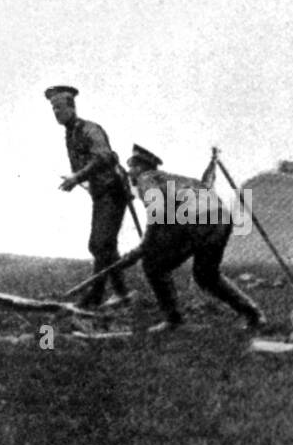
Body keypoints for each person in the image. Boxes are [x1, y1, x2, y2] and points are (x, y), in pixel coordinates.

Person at [124, 144, 264, 333]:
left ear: (141, 168)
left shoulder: (146, 178)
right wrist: (147, 245)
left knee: (153, 265)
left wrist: (143, 248)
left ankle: (173, 320)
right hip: (221, 219)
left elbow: (158, 213)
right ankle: (254, 314)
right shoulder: (176, 179)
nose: (129, 172)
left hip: (198, 220)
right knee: (206, 275)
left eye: (131, 167)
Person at [47, 85, 134, 309]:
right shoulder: (71, 133)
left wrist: (77, 177)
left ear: (72, 107)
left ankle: (96, 296)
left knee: (98, 244)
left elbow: (103, 157)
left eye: (59, 108)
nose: (56, 112)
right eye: (53, 109)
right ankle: (121, 294)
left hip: (113, 190)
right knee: (106, 245)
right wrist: (78, 178)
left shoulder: (89, 129)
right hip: (101, 192)